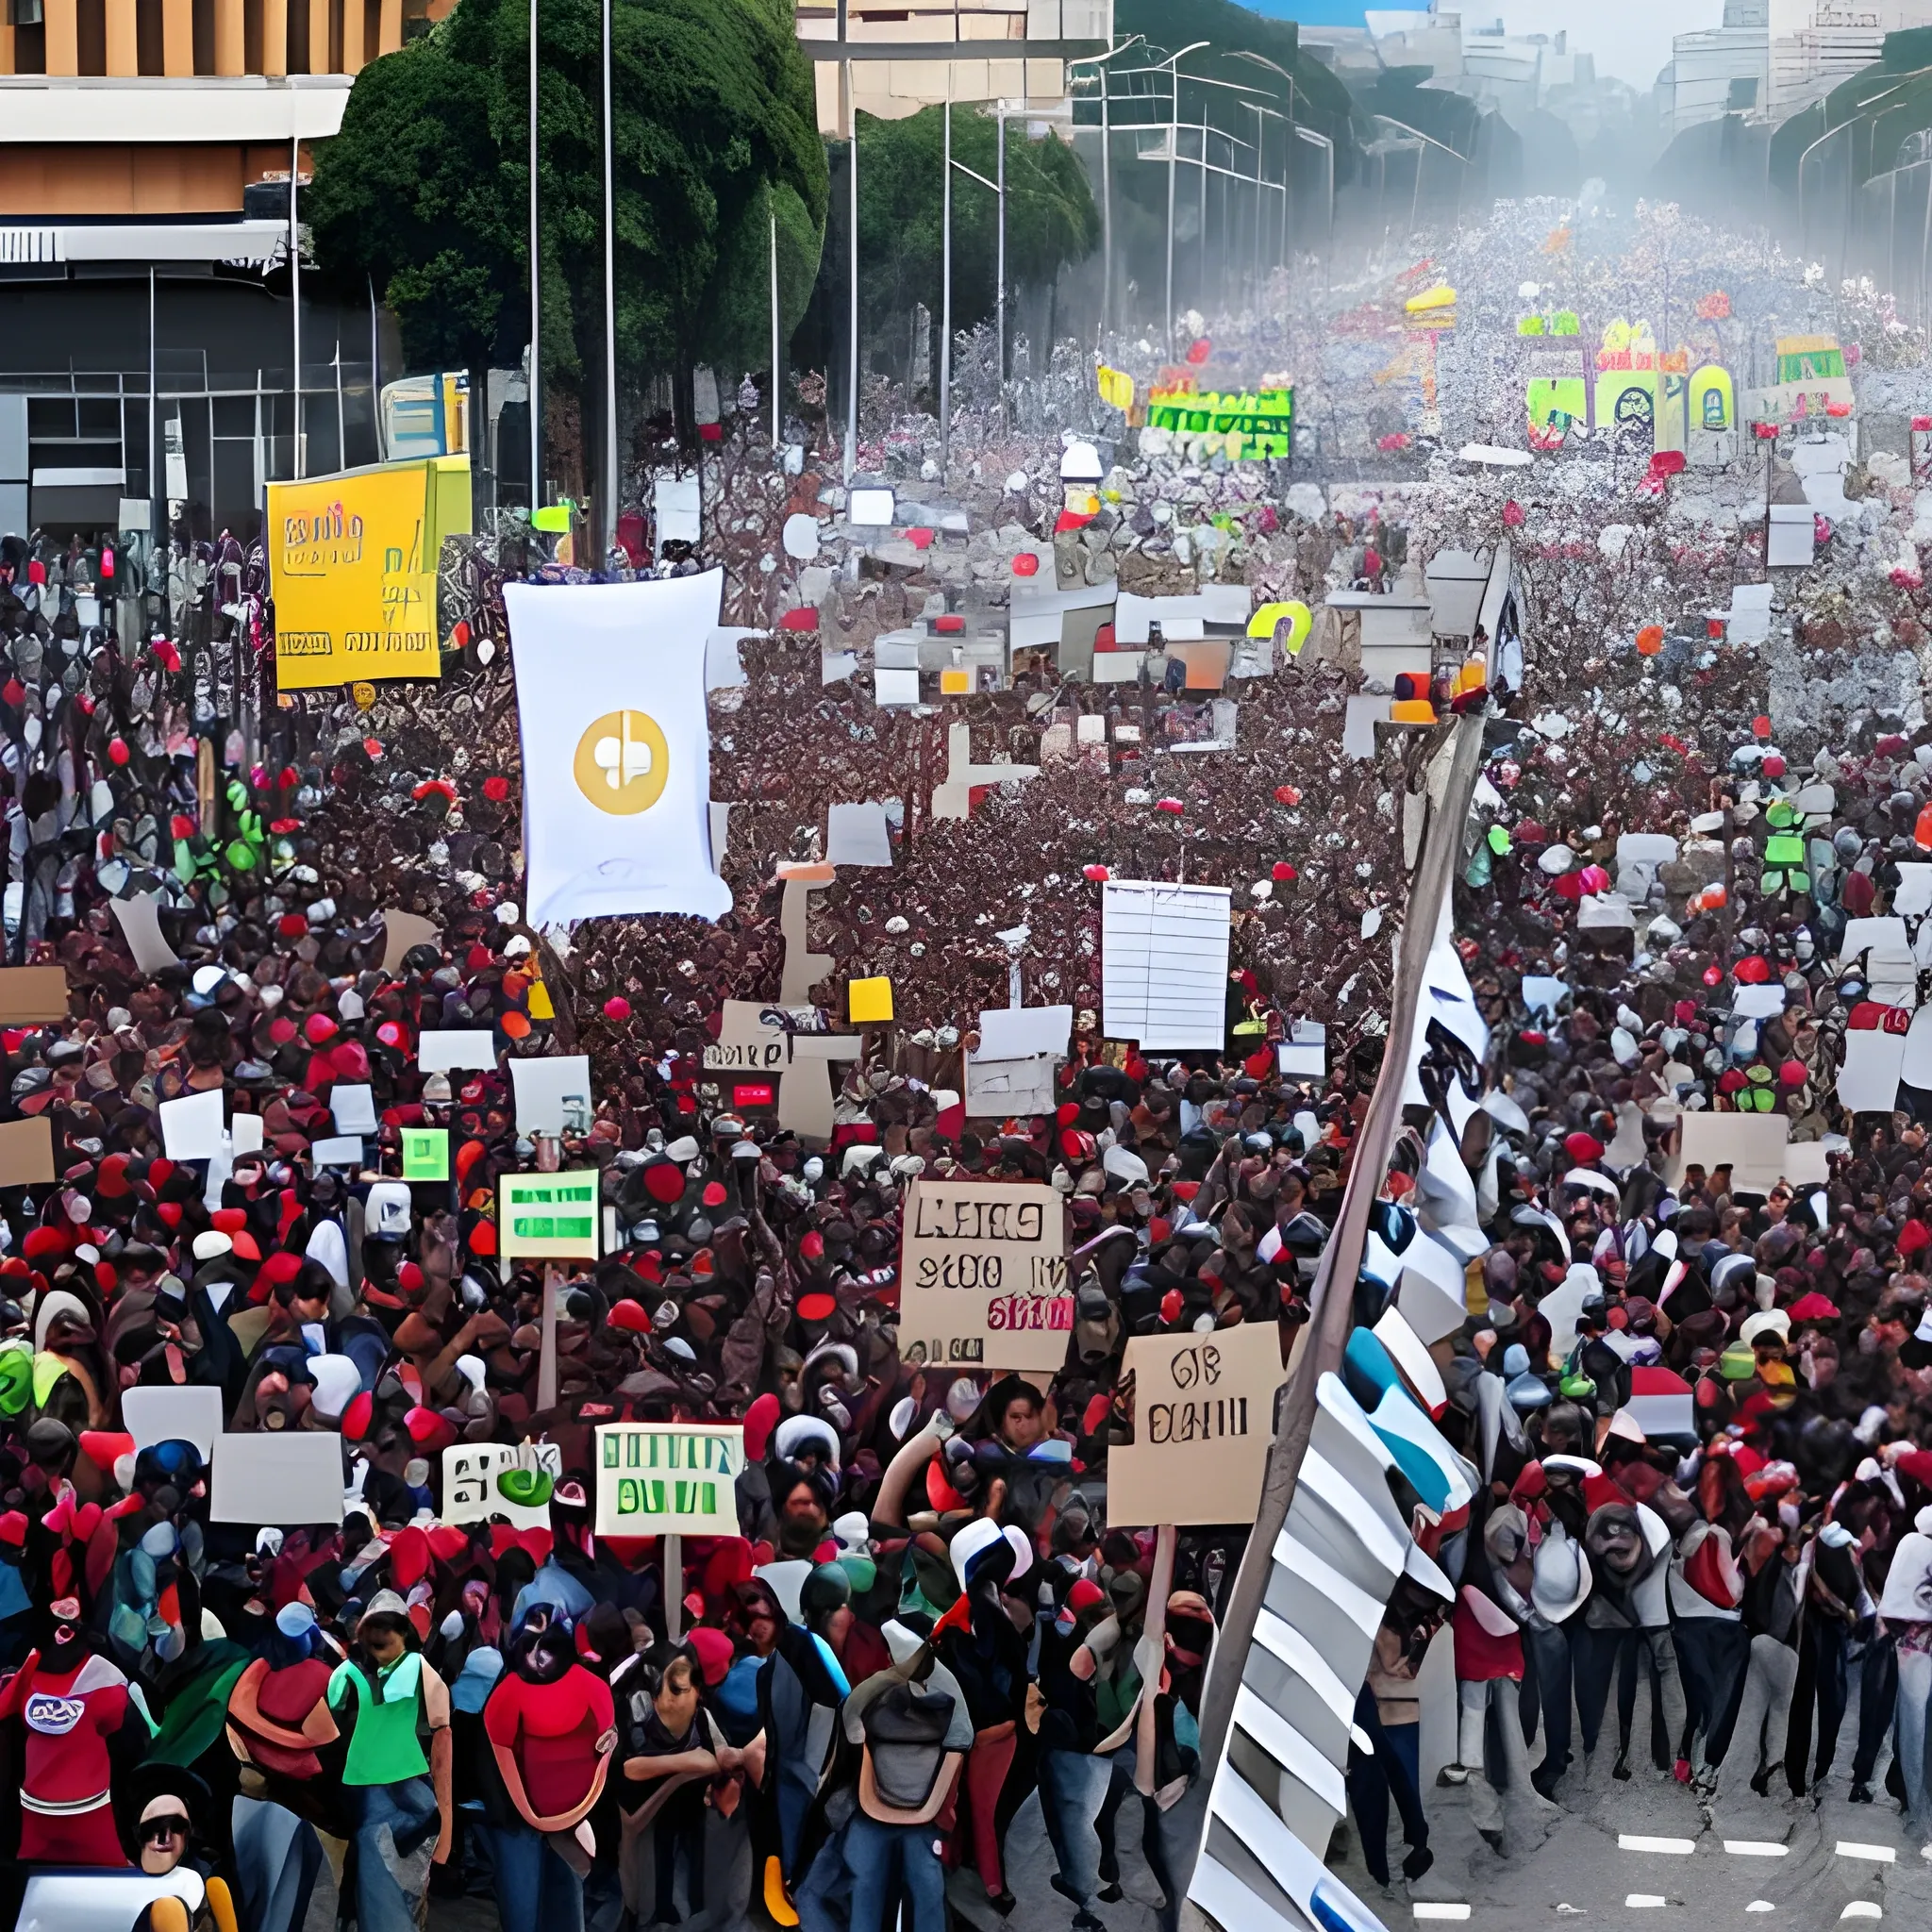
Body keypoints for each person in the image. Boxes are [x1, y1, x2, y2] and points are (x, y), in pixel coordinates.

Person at [326, 1590, 454, 1932]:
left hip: (396, 1794)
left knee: (378, 1862)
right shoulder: (365, 1671)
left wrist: (447, 1824)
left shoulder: (410, 1669)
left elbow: (442, 1737)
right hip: (383, 1793)